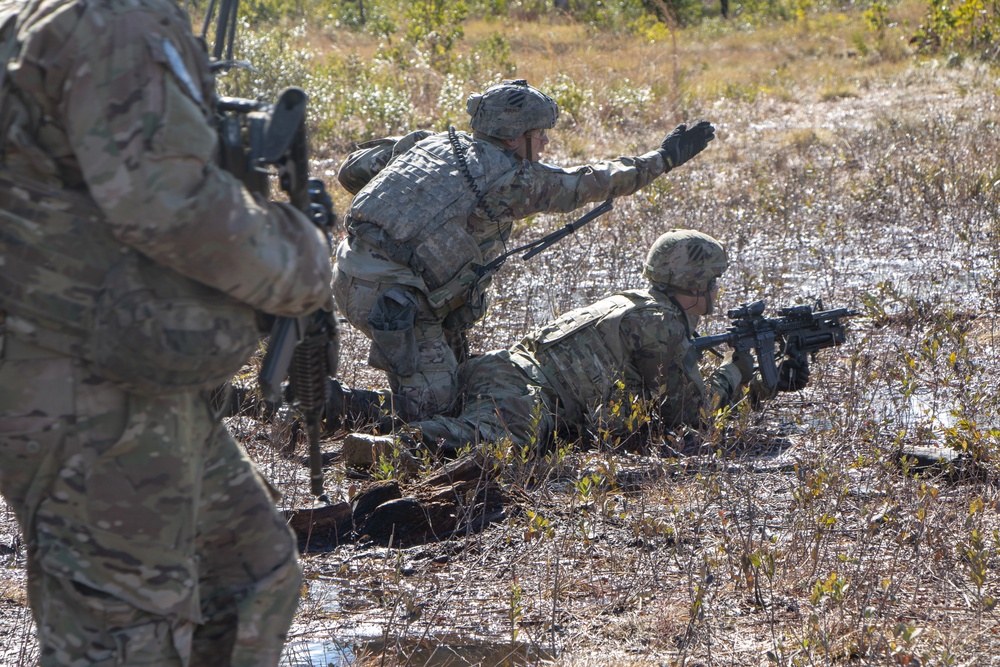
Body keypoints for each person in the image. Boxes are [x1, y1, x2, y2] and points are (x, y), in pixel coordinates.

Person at [0, 0, 334, 665]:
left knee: (249, 577)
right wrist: (303, 258)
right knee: (126, 638)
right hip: (86, 391)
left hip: (129, 372)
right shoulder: (114, 20)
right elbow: (166, 201)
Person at [333, 78, 716, 422]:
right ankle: (339, 407)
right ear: (515, 137)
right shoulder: (511, 179)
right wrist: (664, 159)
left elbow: (352, 172)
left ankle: (348, 402)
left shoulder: (431, 144)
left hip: (351, 273)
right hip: (394, 302)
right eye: (540, 133)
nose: (546, 142)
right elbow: (590, 183)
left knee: (458, 380)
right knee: (441, 417)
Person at [392, 229, 808, 454]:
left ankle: (356, 412)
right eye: (712, 281)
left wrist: (757, 381)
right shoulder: (660, 324)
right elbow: (688, 414)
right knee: (505, 445)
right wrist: (737, 372)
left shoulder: (641, 305)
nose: (716, 291)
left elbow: (637, 411)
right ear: (696, 283)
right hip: (523, 389)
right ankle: (404, 445)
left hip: (501, 371)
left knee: (412, 404)